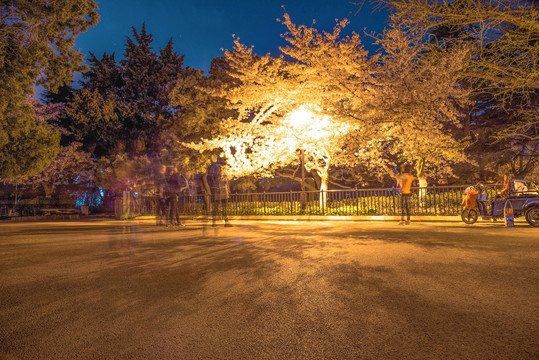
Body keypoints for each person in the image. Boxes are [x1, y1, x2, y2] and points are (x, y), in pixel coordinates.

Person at [207, 157, 232, 227]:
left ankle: (225, 222)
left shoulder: (224, 174)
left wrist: (228, 190)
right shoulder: (216, 174)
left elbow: (227, 182)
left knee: (223, 207)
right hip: (218, 192)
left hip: (223, 192)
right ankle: (215, 222)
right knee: (217, 207)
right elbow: (216, 181)